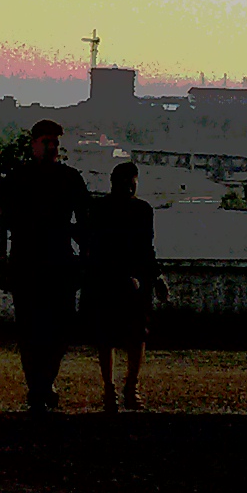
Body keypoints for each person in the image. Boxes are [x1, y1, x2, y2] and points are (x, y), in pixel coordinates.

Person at [0, 119, 87, 413]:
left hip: (58, 262)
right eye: (47, 142)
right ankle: (39, 385)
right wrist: (0, 260)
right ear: (33, 143)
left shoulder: (70, 178)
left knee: (60, 328)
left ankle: (42, 383)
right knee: (31, 329)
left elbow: (85, 222)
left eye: (55, 142)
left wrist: (85, 258)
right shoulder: (17, 178)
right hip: (27, 262)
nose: (52, 148)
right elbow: (1, 221)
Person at [82, 160, 162, 411]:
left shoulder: (106, 208)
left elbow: (145, 248)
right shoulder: (134, 210)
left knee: (124, 336)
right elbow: (102, 247)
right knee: (122, 336)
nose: (129, 187)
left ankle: (118, 389)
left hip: (118, 280)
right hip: (115, 279)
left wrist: (155, 276)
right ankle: (121, 389)